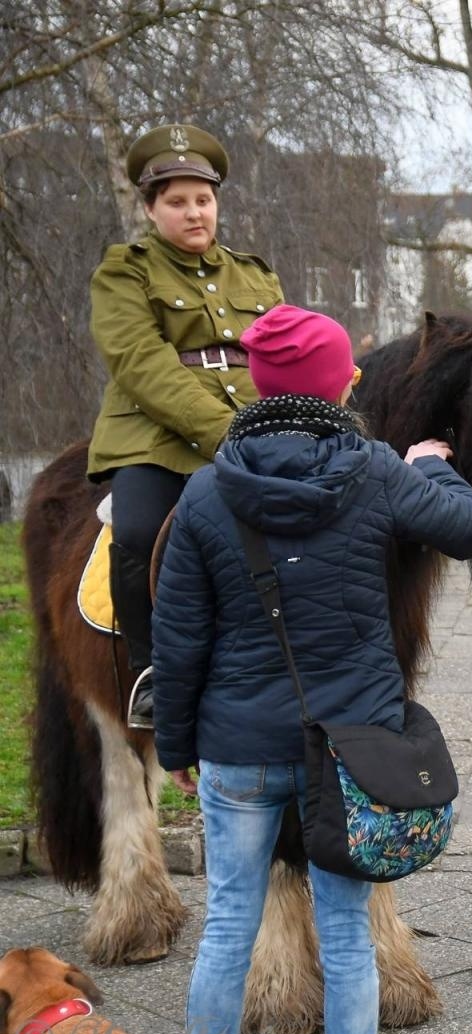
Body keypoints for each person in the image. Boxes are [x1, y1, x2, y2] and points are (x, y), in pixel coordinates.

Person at [150, 305, 472, 1034]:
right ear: (340, 384)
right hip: (349, 751)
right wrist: (431, 465)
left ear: (259, 386)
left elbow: (178, 640)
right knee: (345, 934)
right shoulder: (378, 472)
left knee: (227, 927)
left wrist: (175, 745)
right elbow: (471, 530)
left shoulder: (205, 493)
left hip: (237, 751)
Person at [89, 123, 283, 729]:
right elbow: (142, 365)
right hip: (152, 433)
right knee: (139, 530)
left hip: (253, 420)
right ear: (151, 209)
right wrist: (229, 432)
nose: (194, 212)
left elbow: (286, 350)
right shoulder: (125, 273)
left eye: (203, 199)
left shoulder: (254, 274)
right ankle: (151, 673)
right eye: (177, 201)